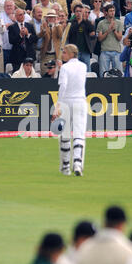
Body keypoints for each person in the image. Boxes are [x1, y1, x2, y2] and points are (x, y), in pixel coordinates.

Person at [51, 44, 87, 177]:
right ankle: (77, 163)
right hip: (80, 101)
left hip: (67, 101)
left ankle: (65, 167)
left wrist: (57, 106)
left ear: (71, 54)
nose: (63, 55)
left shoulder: (65, 68)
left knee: (65, 135)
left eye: (65, 52)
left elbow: (63, 86)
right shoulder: (83, 66)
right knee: (79, 134)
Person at [97, 4, 123, 77]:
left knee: (119, 74)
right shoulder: (101, 23)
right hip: (105, 51)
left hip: (116, 51)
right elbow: (100, 38)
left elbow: (119, 38)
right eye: (110, 11)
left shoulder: (119, 23)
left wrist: (114, 30)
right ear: (106, 12)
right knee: (103, 74)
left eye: (113, 11)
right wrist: (108, 30)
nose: (112, 12)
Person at [67, 4, 95, 71]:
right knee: (74, 70)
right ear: (74, 12)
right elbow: (70, 32)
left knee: (87, 70)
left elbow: (93, 33)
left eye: (80, 11)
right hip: (74, 52)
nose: (79, 13)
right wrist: (79, 22)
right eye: (77, 11)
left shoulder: (87, 22)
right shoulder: (70, 23)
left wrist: (84, 21)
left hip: (85, 50)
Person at [39, 9, 63, 75]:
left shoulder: (59, 26)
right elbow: (41, 35)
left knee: (55, 74)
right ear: (47, 18)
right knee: (44, 73)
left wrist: (57, 24)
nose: (51, 19)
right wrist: (45, 28)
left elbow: (60, 35)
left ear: (55, 18)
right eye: (49, 17)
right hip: (46, 54)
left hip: (55, 54)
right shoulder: (43, 26)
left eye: (52, 17)